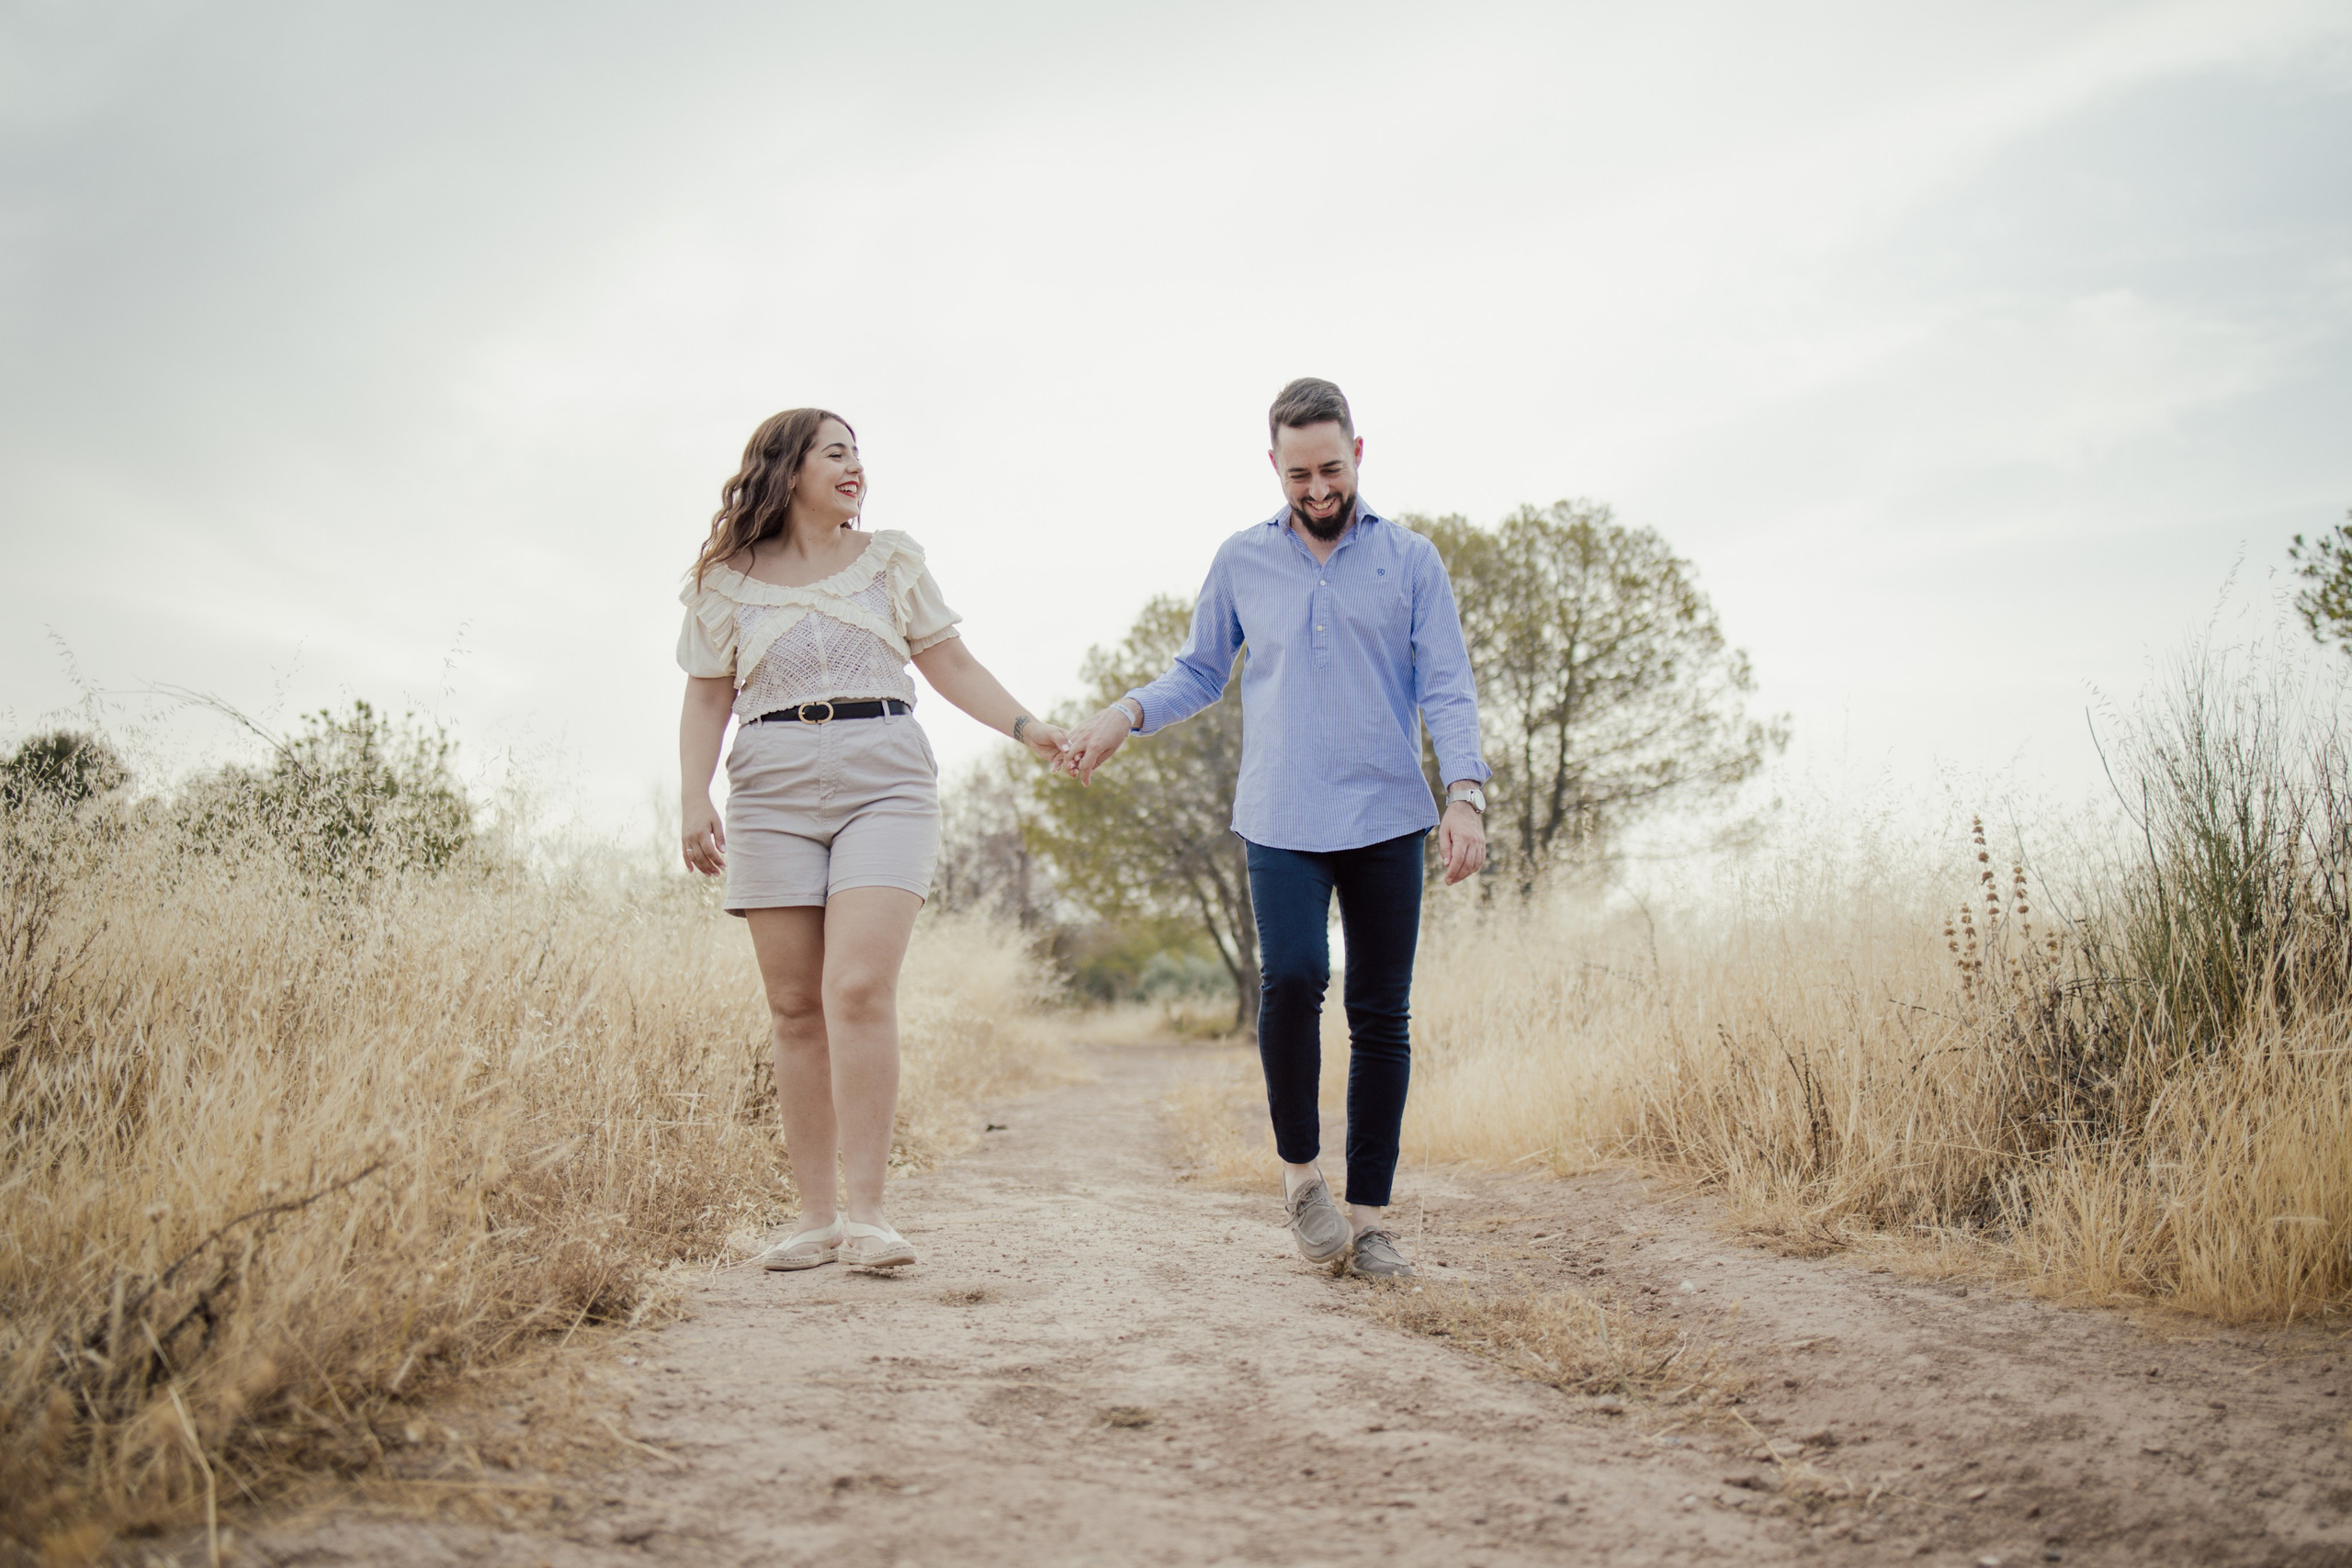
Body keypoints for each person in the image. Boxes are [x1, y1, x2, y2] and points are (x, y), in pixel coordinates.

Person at [1058, 378, 1489, 1279]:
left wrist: (1464, 794)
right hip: (1281, 814)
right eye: (1299, 474)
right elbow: (1199, 672)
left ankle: (1369, 1219)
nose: (1318, 488)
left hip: (1386, 812)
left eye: (1332, 468)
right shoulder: (1241, 560)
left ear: (1359, 455)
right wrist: (1123, 714)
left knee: (1381, 1017)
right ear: (1274, 467)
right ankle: (1301, 1178)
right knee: (1293, 978)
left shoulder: (1412, 560)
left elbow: (1446, 686)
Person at [677, 408, 1066, 1272]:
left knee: (855, 985)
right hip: (769, 784)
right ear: (787, 468)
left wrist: (1028, 726)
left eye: (860, 454)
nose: (856, 467)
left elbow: (951, 662)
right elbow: (708, 697)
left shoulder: (890, 559)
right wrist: (690, 795)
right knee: (792, 1005)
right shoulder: (726, 581)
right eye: (836, 452)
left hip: (885, 773)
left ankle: (871, 1215)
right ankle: (815, 1219)